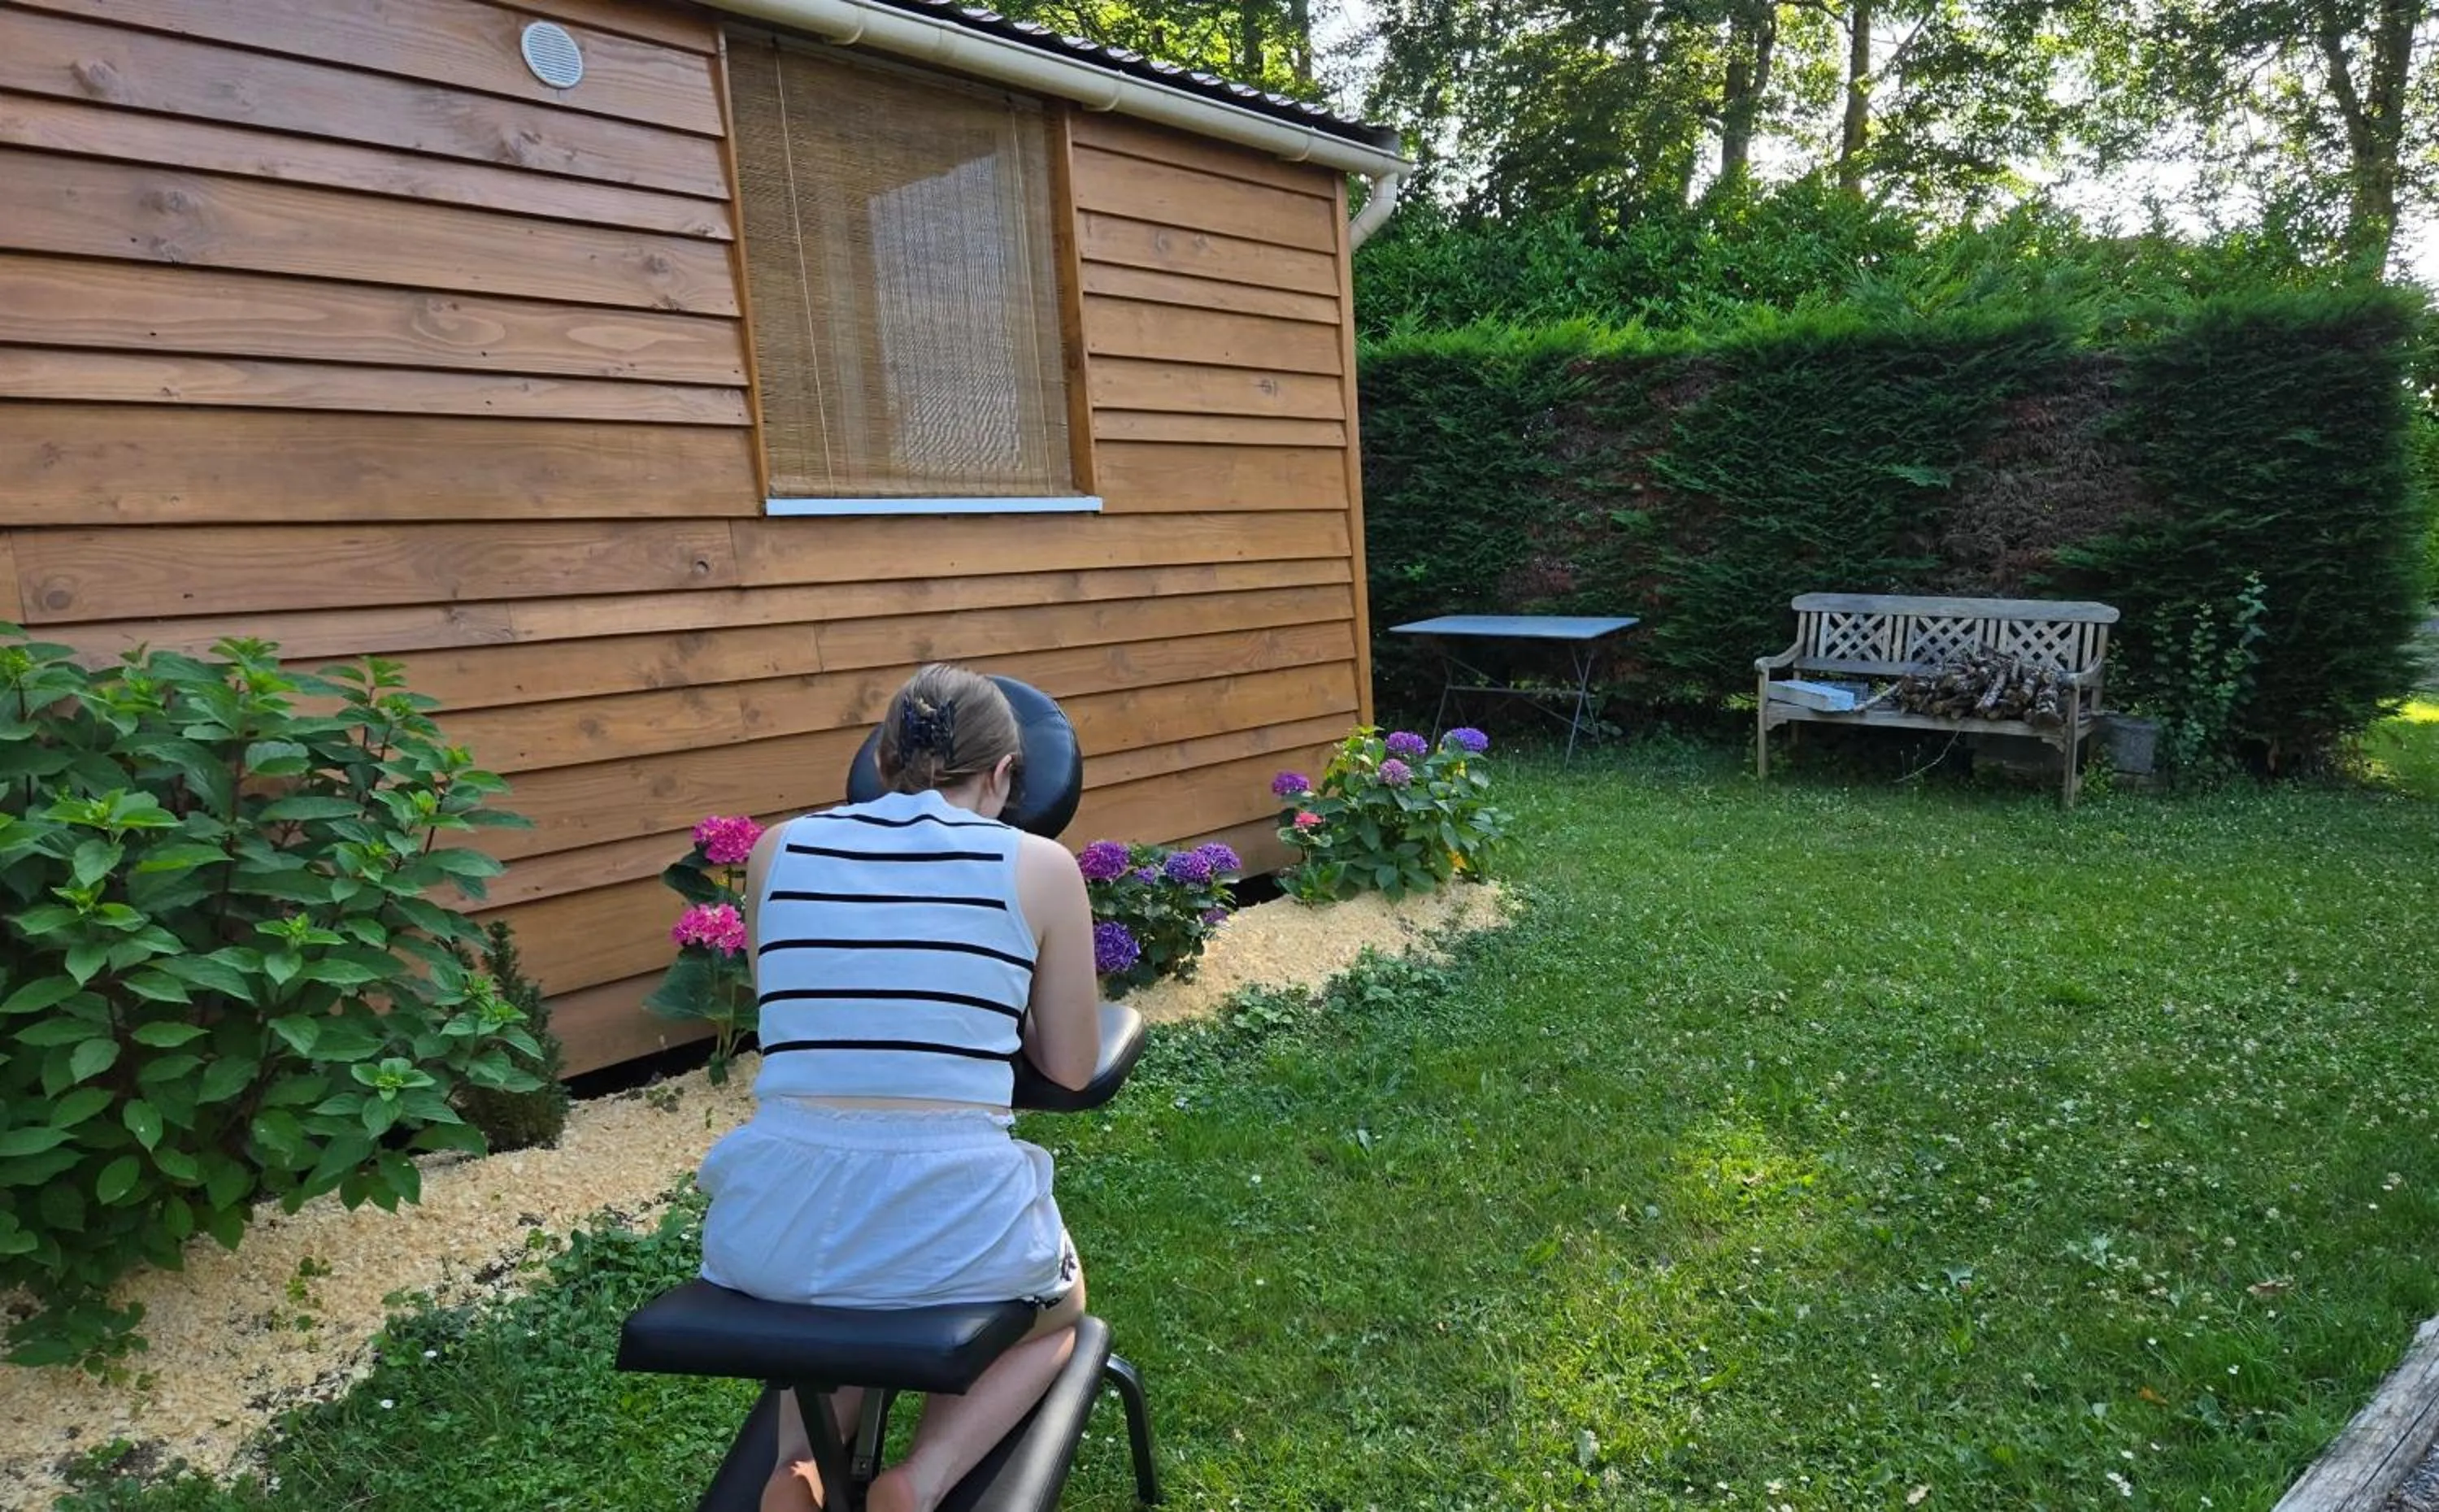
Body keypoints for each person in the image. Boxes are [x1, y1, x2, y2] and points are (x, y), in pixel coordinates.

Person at [695, 663, 1103, 1512]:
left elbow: (800, 1020)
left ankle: (798, 1470)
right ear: (1002, 777)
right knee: (1060, 1306)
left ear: (878, 763)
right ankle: (922, 1480)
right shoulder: (1039, 865)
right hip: (950, 1225)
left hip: (770, 1224)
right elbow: (1068, 1066)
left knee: (841, 1296)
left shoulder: (776, 850)